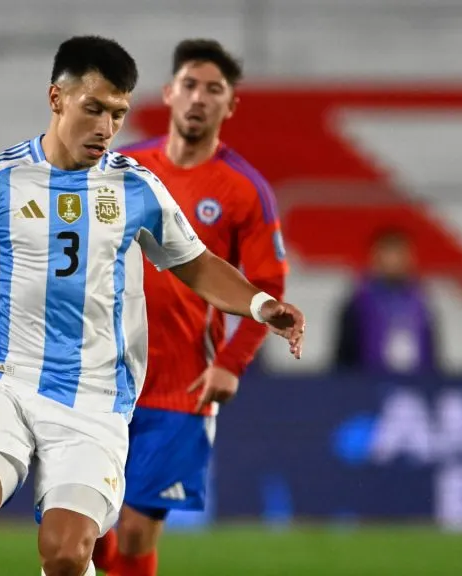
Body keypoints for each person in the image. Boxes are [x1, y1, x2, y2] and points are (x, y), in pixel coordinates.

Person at [0, 35, 305, 576]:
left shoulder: (136, 188)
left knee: (68, 554)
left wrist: (259, 304)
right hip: (7, 378)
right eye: (93, 108)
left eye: (117, 114)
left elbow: (197, 263)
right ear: (56, 98)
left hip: (96, 398)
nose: (106, 127)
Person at [89, 39, 289, 576]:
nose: (200, 98)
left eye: (215, 90)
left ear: (230, 106)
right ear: (169, 94)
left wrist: (230, 362)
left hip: (182, 384)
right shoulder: (122, 168)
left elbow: (268, 289)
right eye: (191, 86)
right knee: (87, 530)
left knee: (133, 532)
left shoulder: (245, 190)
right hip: (105, 375)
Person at [334, 228, 440, 374]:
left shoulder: (421, 303)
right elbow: (343, 355)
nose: (395, 260)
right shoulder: (359, 303)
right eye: (389, 253)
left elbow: (432, 352)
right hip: (369, 384)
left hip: (414, 385)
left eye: (400, 254)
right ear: (376, 257)